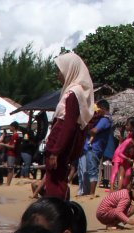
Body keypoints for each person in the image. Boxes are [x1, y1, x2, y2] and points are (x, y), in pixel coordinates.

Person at [43, 52, 94, 200]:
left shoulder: (73, 94)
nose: (58, 74)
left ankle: (57, 216)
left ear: (70, 70)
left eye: (60, 70)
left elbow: (69, 125)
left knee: (55, 182)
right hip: (60, 142)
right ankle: (62, 214)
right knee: (59, 180)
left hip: (59, 143)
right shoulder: (77, 92)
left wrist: (56, 151)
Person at [77, 99, 112, 197]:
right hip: (88, 147)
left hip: (94, 148)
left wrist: (84, 128)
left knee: (91, 170)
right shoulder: (101, 118)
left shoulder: (105, 119)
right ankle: (85, 191)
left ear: (103, 108)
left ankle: (91, 193)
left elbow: (94, 131)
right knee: (83, 170)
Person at [0, 122, 22, 187]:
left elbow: (12, 146)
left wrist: (2, 144)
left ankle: (8, 184)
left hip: (12, 154)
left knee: (10, 168)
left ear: (13, 127)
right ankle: (8, 183)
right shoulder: (14, 135)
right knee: (10, 168)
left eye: (10, 127)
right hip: (11, 153)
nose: (9, 128)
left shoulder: (15, 135)